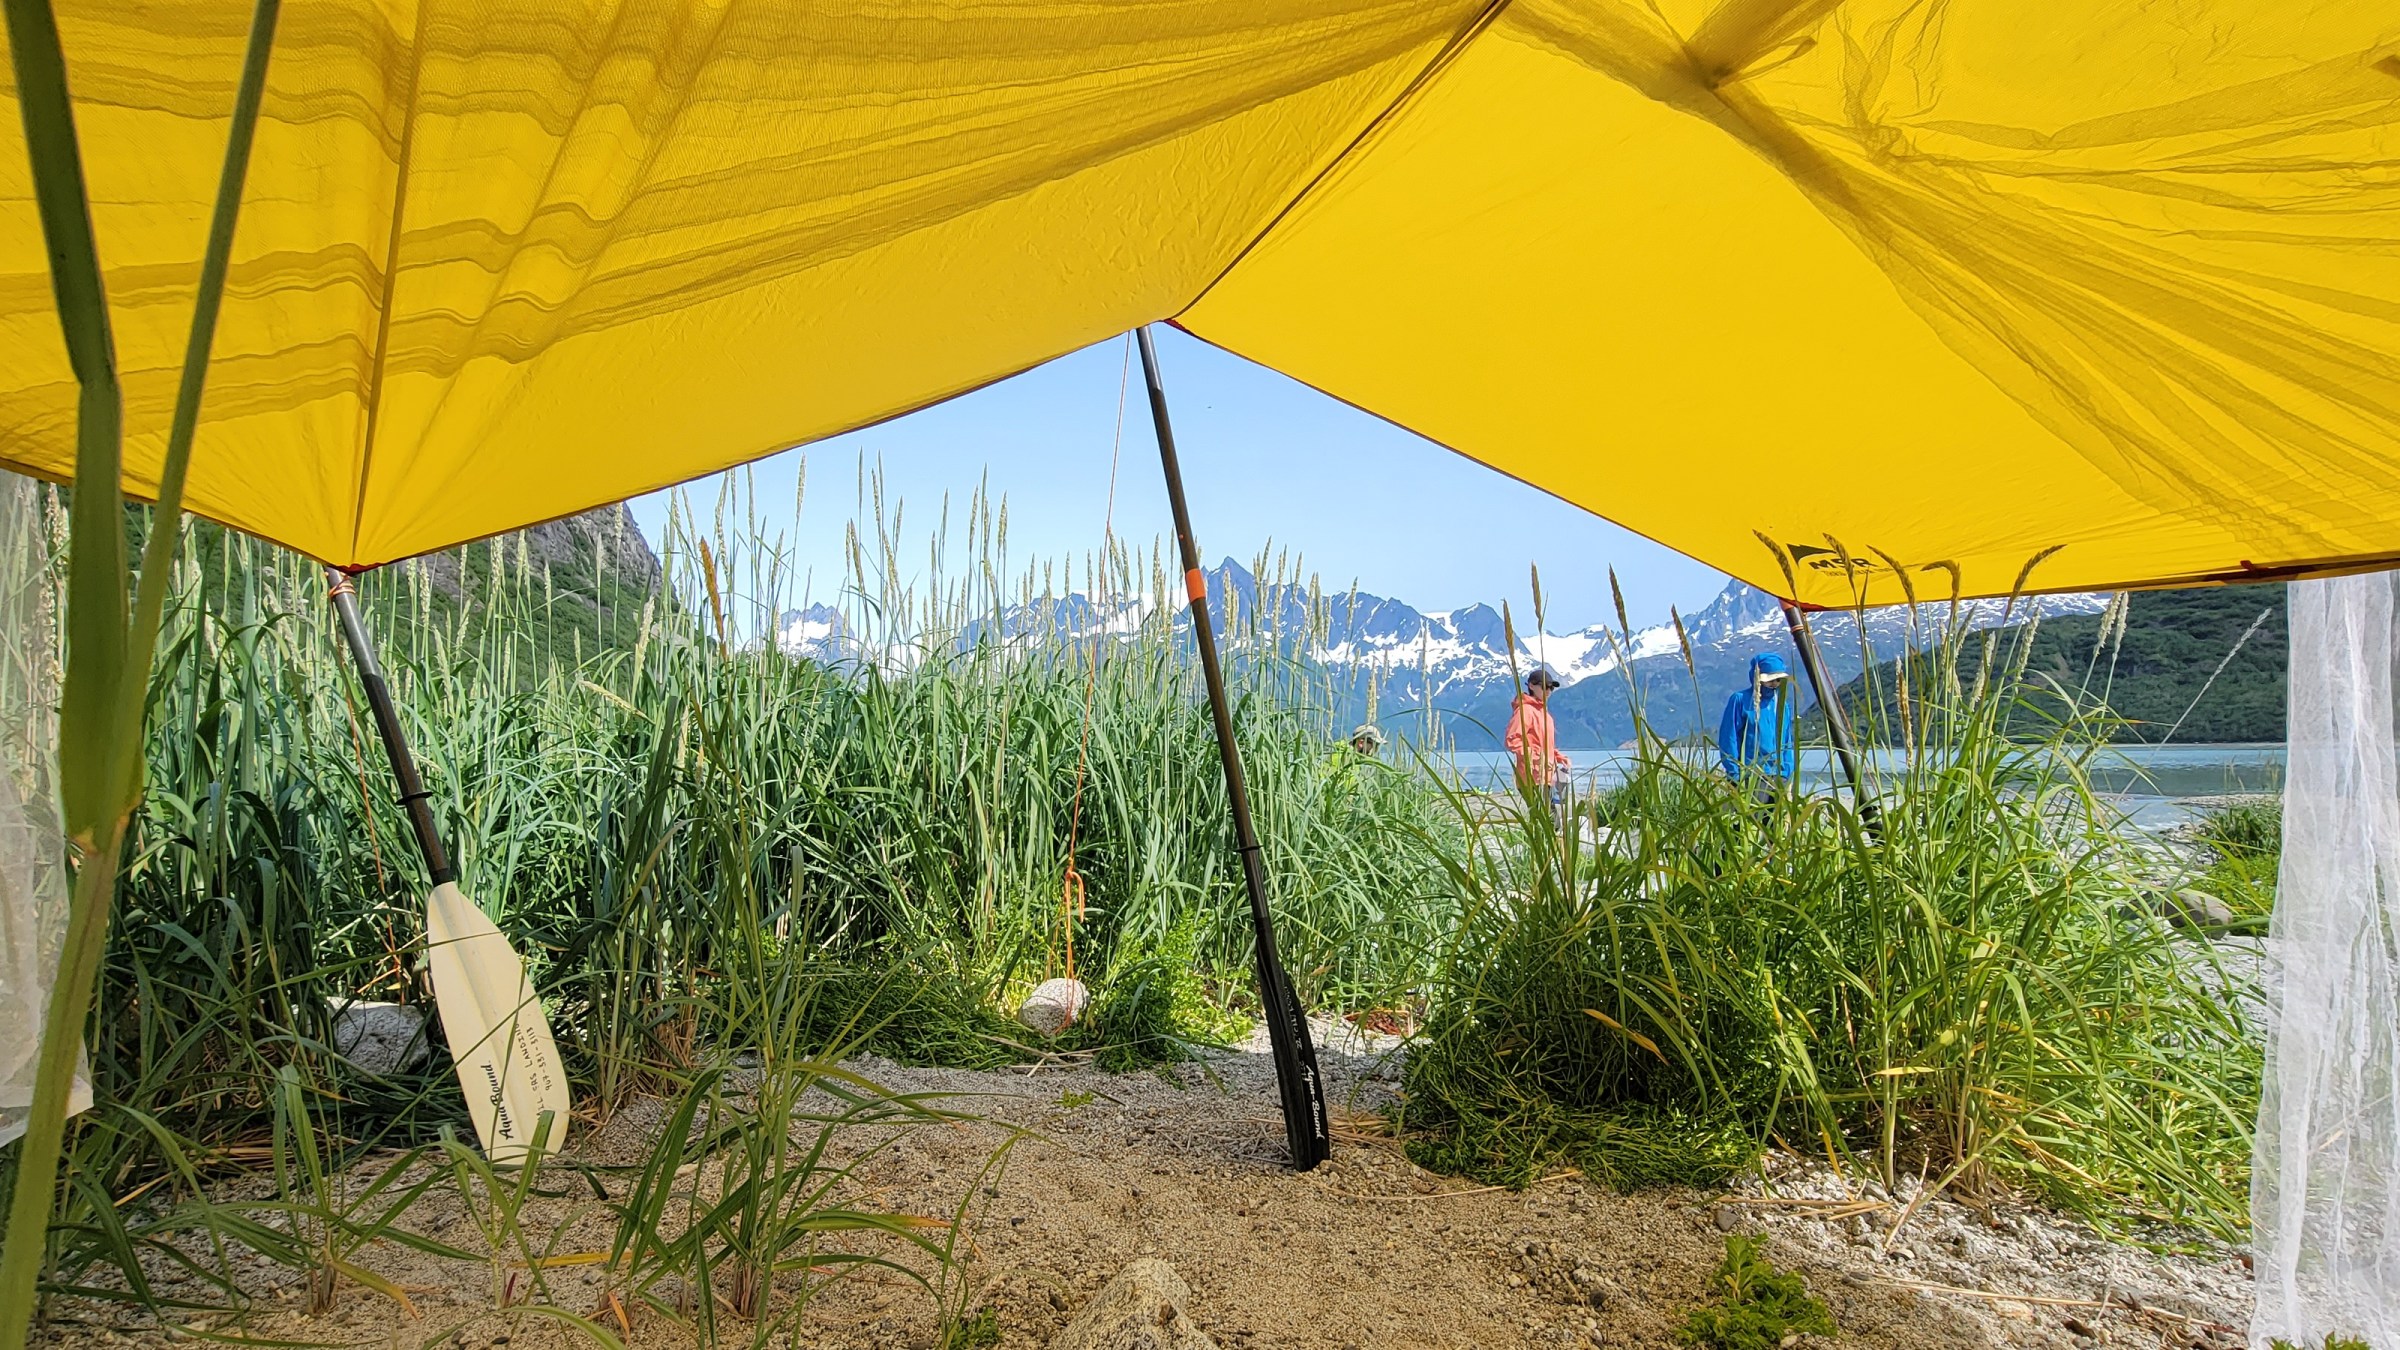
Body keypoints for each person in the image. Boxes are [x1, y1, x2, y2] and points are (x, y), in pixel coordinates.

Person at [1717, 653, 1796, 784]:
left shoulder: (1782, 705)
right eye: (1770, 680)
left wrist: (1788, 772)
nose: (1774, 684)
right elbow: (1729, 737)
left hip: (1779, 775)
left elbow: (1786, 741)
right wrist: (1735, 773)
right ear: (1757, 678)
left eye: (1778, 680)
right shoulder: (1740, 700)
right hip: (1750, 775)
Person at [1505, 667, 1572, 815]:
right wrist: (1535, 757)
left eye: (1551, 688)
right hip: (1531, 777)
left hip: (1547, 776)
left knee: (1550, 816)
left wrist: (1557, 756)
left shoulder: (1544, 713)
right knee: (1547, 817)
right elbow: (1512, 740)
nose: (1548, 691)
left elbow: (1543, 743)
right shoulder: (1525, 710)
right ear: (1531, 686)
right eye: (1544, 686)